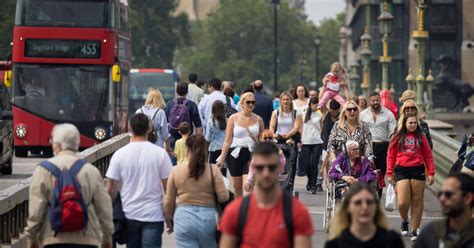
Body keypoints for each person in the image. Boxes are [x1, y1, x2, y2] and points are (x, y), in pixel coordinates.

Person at [24, 124, 113, 248]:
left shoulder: (43, 170)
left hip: (53, 239)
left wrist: (32, 237)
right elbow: (104, 208)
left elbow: (36, 209)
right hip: (86, 239)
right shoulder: (91, 171)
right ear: (77, 143)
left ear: (57, 145)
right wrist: (107, 237)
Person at [219, 142, 314, 247]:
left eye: (271, 167)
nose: (266, 173)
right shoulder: (235, 212)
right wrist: (249, 181)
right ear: (253, 168)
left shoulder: (297, 212)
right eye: (260, 167)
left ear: (280, 167)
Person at [106, 113, 173, 247]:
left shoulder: (120, 154)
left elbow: (109, 189)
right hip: (154, 215)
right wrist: (169, 216)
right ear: (149, 128)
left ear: (130, 129)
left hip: (129, 214)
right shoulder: (160, 154)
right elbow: (168, 189)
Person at [164, 134, 230, 247]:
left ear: (187, 149)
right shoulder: (212, 170)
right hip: (208, 219)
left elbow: (169, 200)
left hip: (183, 219)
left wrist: (169, 220)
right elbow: (223, 197)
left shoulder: (176, 171)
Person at [387, 115, 435, 241]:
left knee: (417, 201)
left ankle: (415, 229)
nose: (413, 125)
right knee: (403, 202)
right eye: (410, 123)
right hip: (401, 169)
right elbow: (391, 155)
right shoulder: (397, 137)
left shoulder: (421, 137)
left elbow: (428, 155)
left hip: (417, 168)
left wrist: (431, 173)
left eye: (415, 123)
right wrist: (389, 172)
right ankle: (404, 220)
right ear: (405, 123)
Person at [325, 183, 404, 248]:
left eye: (369, 202)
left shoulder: (392, 241)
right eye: (358, 203)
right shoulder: (335, 244)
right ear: (348, 207)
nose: (365, 207)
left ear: (376, 207)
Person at [217, 92, 264, 197]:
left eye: (253, 102)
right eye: (248, 102)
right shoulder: (233, 118)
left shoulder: (259, 119)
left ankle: (248, 210)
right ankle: (239, 210)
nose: (251, 104)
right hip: (234, 154)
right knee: (237, 188)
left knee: (248, 185)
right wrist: (221, 158)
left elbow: (262, 140)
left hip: (252, 154)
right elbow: (227, 140)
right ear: (242, 103)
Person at [414, 173, 474, 248]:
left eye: (448, 194)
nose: (442, 199)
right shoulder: (431, 232)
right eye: (440, 194)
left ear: (468, 198)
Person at [359, 92, 397, 197]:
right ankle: (367, 192)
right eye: (373, 101)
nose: (375, 102)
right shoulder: (363, 114)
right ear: (369, 101)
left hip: (382, 146)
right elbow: (359, 130)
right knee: (366, 170)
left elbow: (393, 131)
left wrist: (392, 138)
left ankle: (378, 193)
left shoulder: (388, 114)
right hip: (368, 146)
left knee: (381, 171)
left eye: (377, 100)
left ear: (380, 100)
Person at [270, 92, 303, 193]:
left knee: (290, 166)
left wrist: (289, 134)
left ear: (291, 101)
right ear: (280, 101)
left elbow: (297, 126)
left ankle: (288, 189)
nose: (285, 101)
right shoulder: (276, 112)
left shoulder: (296, 113)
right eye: (283, 99)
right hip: (278, 140)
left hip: (290, 140)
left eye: (287, 99)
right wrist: (273, 134)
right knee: (277, 165)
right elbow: (271, 126)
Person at [164, 82, 203, 150]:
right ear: (187, 92)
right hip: (187, 137)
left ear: (176, 92)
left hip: (172, 137)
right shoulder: (192, 105)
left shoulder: (169, 104)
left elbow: (165, 123)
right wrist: (198, 142)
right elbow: (198, 125)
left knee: (173, 157)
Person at [136, 89, 172, 153]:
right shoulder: (160, 112)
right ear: (160, 99)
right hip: (156, 146)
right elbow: (165, 133)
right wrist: (168, 147)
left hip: (141, 146)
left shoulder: (139, 111)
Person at [301, 96, 324, 193]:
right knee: (306, 164)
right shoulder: (304, 112)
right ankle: (310, 180)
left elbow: (322, 127)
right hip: (306, 142)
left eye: (316, 103)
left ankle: (313, 185)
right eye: (313, 104)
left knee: (314, 164)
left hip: (317, 142)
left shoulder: (320, 114)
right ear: (310, 104)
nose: (315, 106)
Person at [205, 101, 228, 176]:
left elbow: (207, 137)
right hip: (224, 150)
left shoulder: (211, 121)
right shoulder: (227, 120)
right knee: (223, 172)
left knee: (213, 172)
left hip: (214, 149)